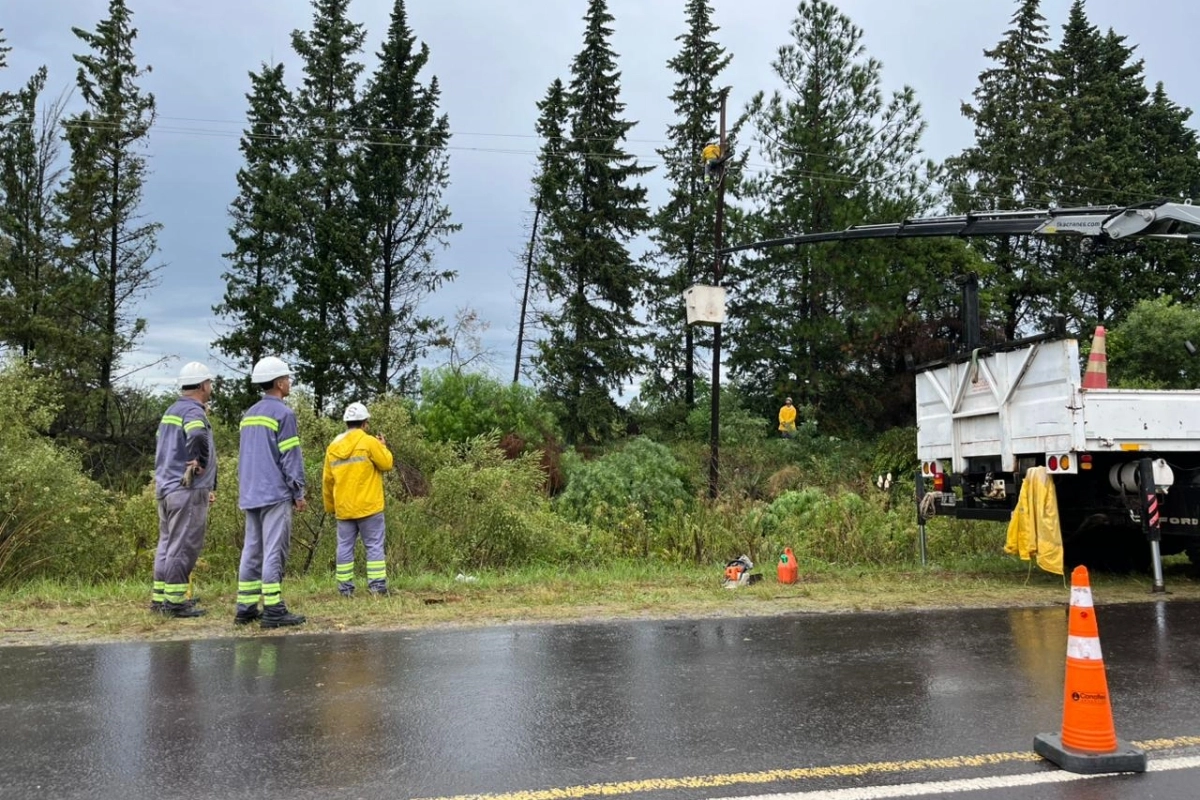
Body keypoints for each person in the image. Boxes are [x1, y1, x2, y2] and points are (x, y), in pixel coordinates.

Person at [235, 356, 307, 628]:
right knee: (274, 550)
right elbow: (290, 456)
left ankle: (245, 607)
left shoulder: (249, 414)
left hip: (250, 492)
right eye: (287, 378)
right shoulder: (283, 414)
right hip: (275, 492)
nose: (289, 382)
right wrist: (298, 491)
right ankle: (274, 608)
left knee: (252, 550)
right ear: (278, 383)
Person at [151, 361, 217, 618]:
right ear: (202, 385)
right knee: (184, 545)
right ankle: (176, 602)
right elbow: (197, 435)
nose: (210, 387)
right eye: (209, 383)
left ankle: (161, 598)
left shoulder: (171, 410)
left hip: (166, 487)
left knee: (167, 544)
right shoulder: (193, 411)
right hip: (186, 489)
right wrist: (198, 461)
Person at [323, 402, 395, 597]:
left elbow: (328, 480)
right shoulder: (370, 442)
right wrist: (383, 447)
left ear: (347, 422)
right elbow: (387, 463)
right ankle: (377, 588)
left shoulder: (333, 446)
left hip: (344, 508)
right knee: (374, 546)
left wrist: (331, 506)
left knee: (345, 547)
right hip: (369, 506)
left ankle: (345, 590)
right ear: (364, 423)